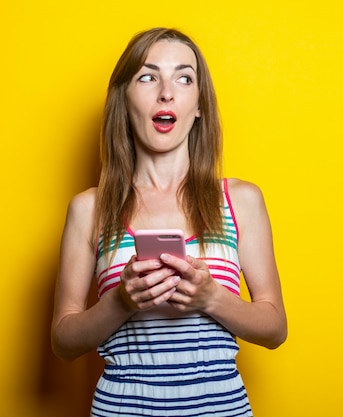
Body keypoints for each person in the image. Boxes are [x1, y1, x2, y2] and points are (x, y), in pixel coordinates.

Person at [51, 27, 287, 416]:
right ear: (123, 100)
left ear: (198, 106)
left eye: (184, 77)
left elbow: (275, 329)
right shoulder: (88, 209)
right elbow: (64, 343)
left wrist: (211, 297)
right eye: (147, 76)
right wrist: (122, 300)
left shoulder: (241, 201)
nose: (166, 91)